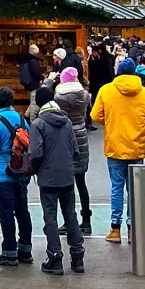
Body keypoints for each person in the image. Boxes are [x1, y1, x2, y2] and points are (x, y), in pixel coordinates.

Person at [89, 57, 145, 244]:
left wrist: (110, 122)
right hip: (136, 147)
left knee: (117, 187)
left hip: (115, 146)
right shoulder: (143, 92)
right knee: (134, 190)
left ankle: (115, 228)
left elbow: (95, 115)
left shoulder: (106, 90)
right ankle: (132, 229)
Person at [27, 84, 84, 274]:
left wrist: (33, 168)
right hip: (67, 175)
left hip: (48, 176)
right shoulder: (66, 121)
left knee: (50, 217)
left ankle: (55, 256)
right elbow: (75, 149)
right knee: (70, 215)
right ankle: (77, 256)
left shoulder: (38, 124)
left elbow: (35, 152)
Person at [0, 85, 32, 265]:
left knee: (6, 212)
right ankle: (25, 249)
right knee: (22, 210)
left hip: (2, 173)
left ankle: (9, 251)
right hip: (21, 170)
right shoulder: (20, 118)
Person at [54, 66, 94, 234]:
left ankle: (69, 220)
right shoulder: (85, 95)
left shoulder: (59, 98)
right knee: (81, 182)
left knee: (66, 184)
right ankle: (86, 220)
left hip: (66, 136)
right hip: (81, 134)